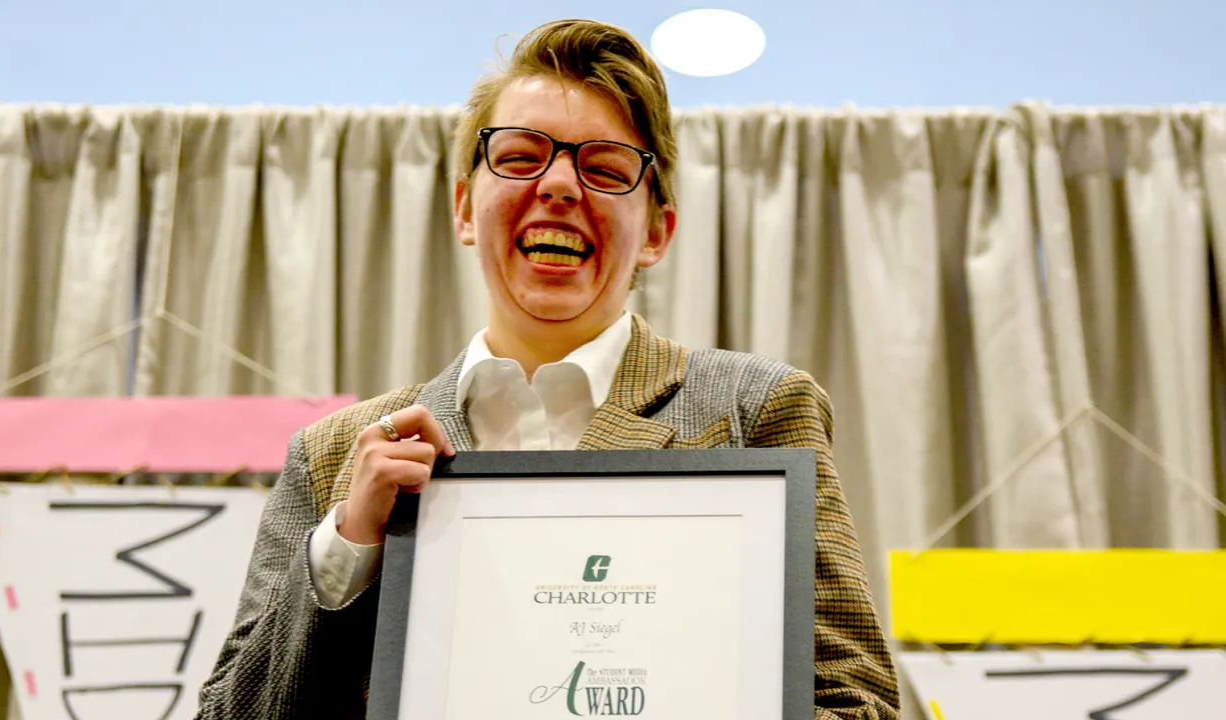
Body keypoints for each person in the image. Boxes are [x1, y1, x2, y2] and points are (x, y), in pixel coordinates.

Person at [197, 18, 900, 720]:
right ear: (465, 206)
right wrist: (348, 547)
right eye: (521, 156)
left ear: (656, 232)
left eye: (604, 168)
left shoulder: (757, 411)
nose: (560, 185)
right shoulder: (334, 457)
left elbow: (858, 702)